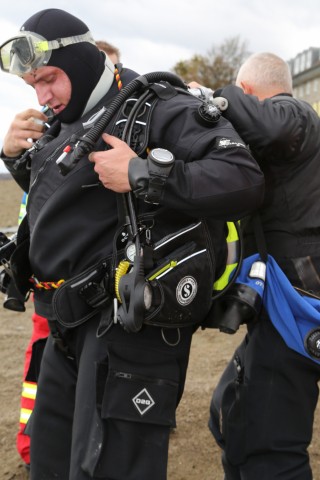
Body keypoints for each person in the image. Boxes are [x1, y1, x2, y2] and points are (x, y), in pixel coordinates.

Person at [0, 9, 264, 480]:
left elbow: (243, 179)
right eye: (31, 85)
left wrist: (143, 174)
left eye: (50, 79)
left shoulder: (159, 106)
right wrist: (16, 158)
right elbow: (71, 209)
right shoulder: (63, 122)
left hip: (129, 331)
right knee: (50, 464)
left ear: (81, 63)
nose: (42, 95)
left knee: (111, 469)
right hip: (65, 327)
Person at [208, 52, 320, 479]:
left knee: (268, 448)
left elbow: (269, 123)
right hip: (280, 300)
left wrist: (217, 97)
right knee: (228, 412)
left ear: (249, 93)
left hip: (299, 305)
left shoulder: (296, 114)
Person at [15, 38, 121, 471]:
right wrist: (12, 155)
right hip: (49, 294)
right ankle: (32, 443)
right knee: (42, 380)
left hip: (92, 297)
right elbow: (46, 202)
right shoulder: (53, 132)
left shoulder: (122, 126)